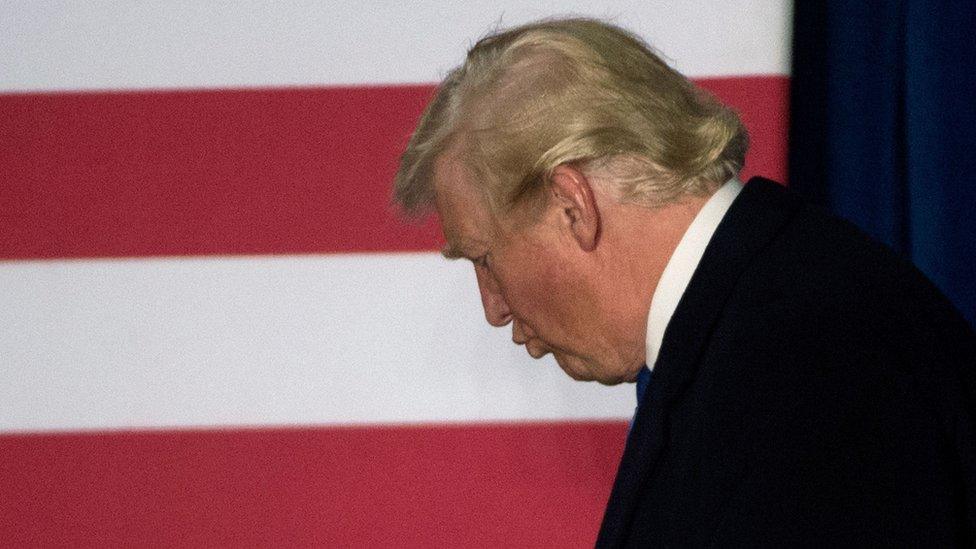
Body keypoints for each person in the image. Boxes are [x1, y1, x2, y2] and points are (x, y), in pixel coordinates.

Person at [392, 17, 976, 547]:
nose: (492, 307)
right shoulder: (766, 321)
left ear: (573, 205)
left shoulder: (809, 364)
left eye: (485, 258)